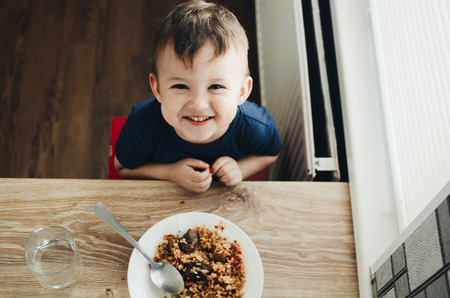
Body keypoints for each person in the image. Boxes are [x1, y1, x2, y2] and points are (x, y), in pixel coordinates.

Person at [114, 0, 281, 193]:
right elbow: (122, 167)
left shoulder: (256, 126)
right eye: (181, 86)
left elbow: (270, 154)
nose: (198, 104)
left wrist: (240, 170)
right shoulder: (142, 125)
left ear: (242, 91)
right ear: (157, 88)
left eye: (216, 86)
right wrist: (170, 173)